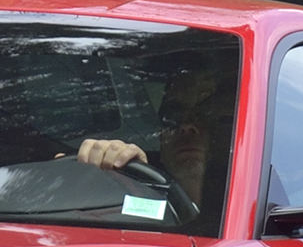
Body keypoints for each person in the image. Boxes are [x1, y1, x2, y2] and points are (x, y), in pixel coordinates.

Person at [73, 66, 233, 209]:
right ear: (160, 138)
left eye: (204, 114)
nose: (186, 125)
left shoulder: (247, 208)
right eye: (173, 116)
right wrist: (129, 178)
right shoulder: (138, 201)